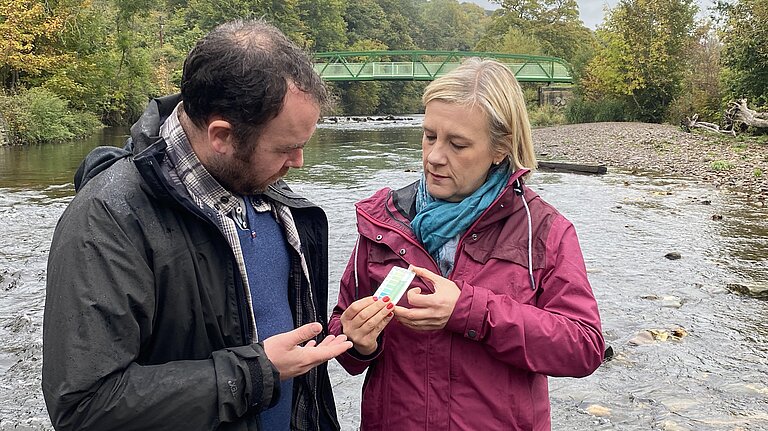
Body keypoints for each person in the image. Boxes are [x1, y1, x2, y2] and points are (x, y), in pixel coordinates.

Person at [42, 19, 352, 431]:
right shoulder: (106, 219)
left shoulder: (271, 195)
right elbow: (85, 406)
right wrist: (253, 373)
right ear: (221, 135)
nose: (297, 163)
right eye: (287, 148)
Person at [328, 58, 605, 430]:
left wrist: (471, 311)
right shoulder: (384, 221)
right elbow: (342, 330)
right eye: (429, 136)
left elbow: (584, 347)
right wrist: (358, 341)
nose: (435, 157)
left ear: (500, 149)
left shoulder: (543, 230)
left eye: (458, 144)